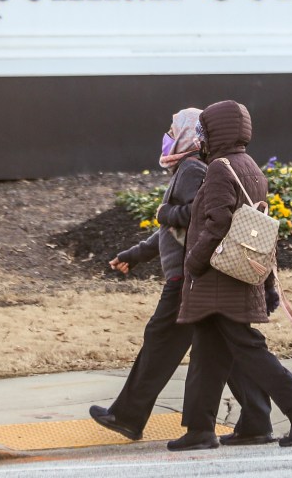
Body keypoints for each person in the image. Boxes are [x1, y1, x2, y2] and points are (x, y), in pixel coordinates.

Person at [89, 107, 276, 446]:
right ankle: (256, 421)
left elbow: (198, 216)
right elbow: (172, 231)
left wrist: (165, 212)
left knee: (161, 342)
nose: (168, 136)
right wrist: (135, 255)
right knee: (224, 349)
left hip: (188, 277)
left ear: (189, 134)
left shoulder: (191, 169)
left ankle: (128, 417)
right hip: (192, 273)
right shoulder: (193, 168)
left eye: (173, 130)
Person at [167, 100, 292, 452]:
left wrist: (194, 262)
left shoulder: (220, 168)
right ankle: (201, 429)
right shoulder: (251, 166)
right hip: (236, 277)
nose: (201, 137)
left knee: (250, 351)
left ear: (218, 132)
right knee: (208, 355)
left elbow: (218, 222)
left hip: (218, 279)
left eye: (205, 130)